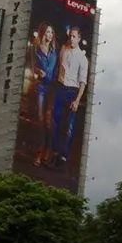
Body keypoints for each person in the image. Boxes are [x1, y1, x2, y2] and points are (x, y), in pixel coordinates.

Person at [51, 26, 89, 167]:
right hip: (60, 89)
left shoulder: (82, 58)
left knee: (69, 126)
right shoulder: (64, 50)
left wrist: (77, 100)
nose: (71, 39)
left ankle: (63, 158)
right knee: (55, 122)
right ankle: (55, 153)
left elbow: (83, 82)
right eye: (70, 36)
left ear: (79, 38)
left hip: (72, 92)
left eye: (74, 36)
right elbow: (58, 67)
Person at [29, 22, 58, 166]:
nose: (50, 35)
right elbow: (34, 68)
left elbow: (56, 73)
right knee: (40, 120)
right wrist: (38, 72)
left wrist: (47, 76)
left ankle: (48, 150)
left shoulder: (54, 52)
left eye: (51, 32)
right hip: (41, 87)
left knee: (48, 120)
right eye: (47, 32)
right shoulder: (36, 49)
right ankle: (39, 153)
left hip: (52, 88)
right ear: (43, 33)